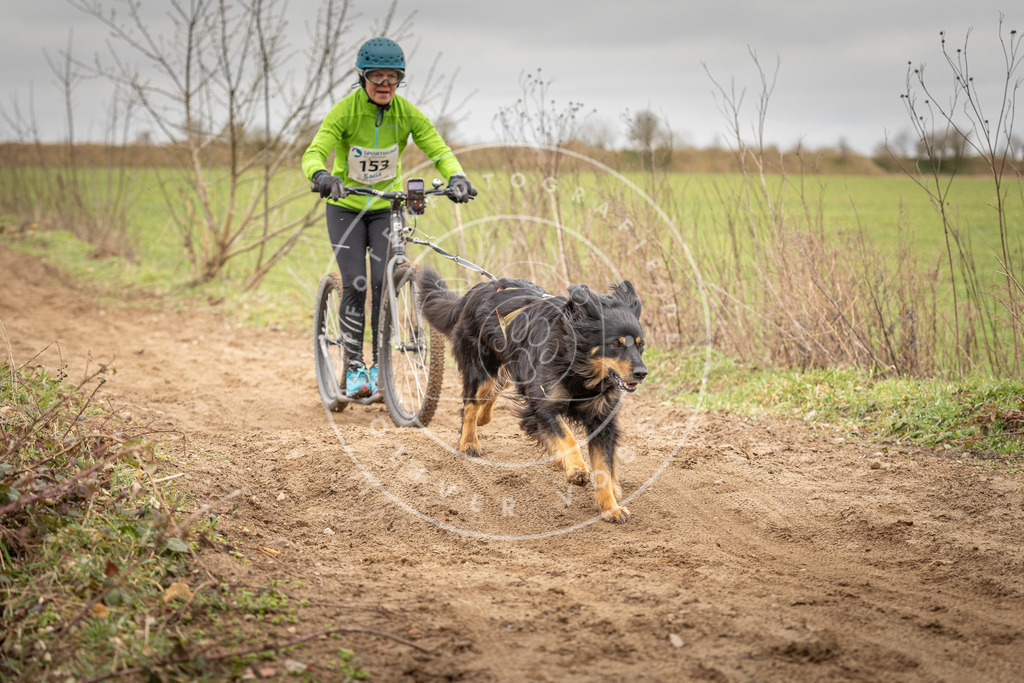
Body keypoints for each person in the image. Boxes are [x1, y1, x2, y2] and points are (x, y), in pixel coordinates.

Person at [302, 37, 474, 398]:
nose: (384, 85)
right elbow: (315, 151)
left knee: (382, 282)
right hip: (346, 206)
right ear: (362, 77)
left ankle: (381, 365)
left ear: (399, 80)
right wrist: (322, 176)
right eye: (376, 77)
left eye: (392, 77)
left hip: (386, 208)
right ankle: (353, 367)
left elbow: (438, 148)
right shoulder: (345, 112)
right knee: (356, 282)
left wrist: (456, 176)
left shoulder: (406, 113)